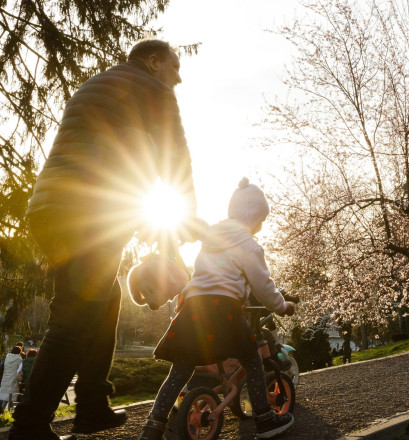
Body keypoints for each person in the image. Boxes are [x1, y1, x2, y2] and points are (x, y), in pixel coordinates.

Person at [12, 39, 202, 440]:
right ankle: (29, 426)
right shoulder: (154, 88)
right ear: (154, 62)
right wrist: (186, 218)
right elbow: (175, 157)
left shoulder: (97, 84)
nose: (179, 78)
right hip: (87, 213)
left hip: (49, 210)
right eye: (175, 67)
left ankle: (92, 404)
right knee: (74, 316)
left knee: (104, 299)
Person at [138, 178, 295, 440]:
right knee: (252, 360)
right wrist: (282, 306)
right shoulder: (249, 246)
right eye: (262, 219)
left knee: (180, 370)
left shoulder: (211, 238)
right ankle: (265, 420)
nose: (261, 225)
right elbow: (263, 286)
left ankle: (151, 428)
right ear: (254, 216)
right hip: (225, 309)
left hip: (194, 308)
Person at [0, 346, 24, 412]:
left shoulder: (7, 358)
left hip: (5, 378)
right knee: (11, 395)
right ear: (20, 352)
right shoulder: (19, 359)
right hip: (14, 378)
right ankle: (7, 411)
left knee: (5, 395)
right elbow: (20, 369)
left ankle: (3, 411)